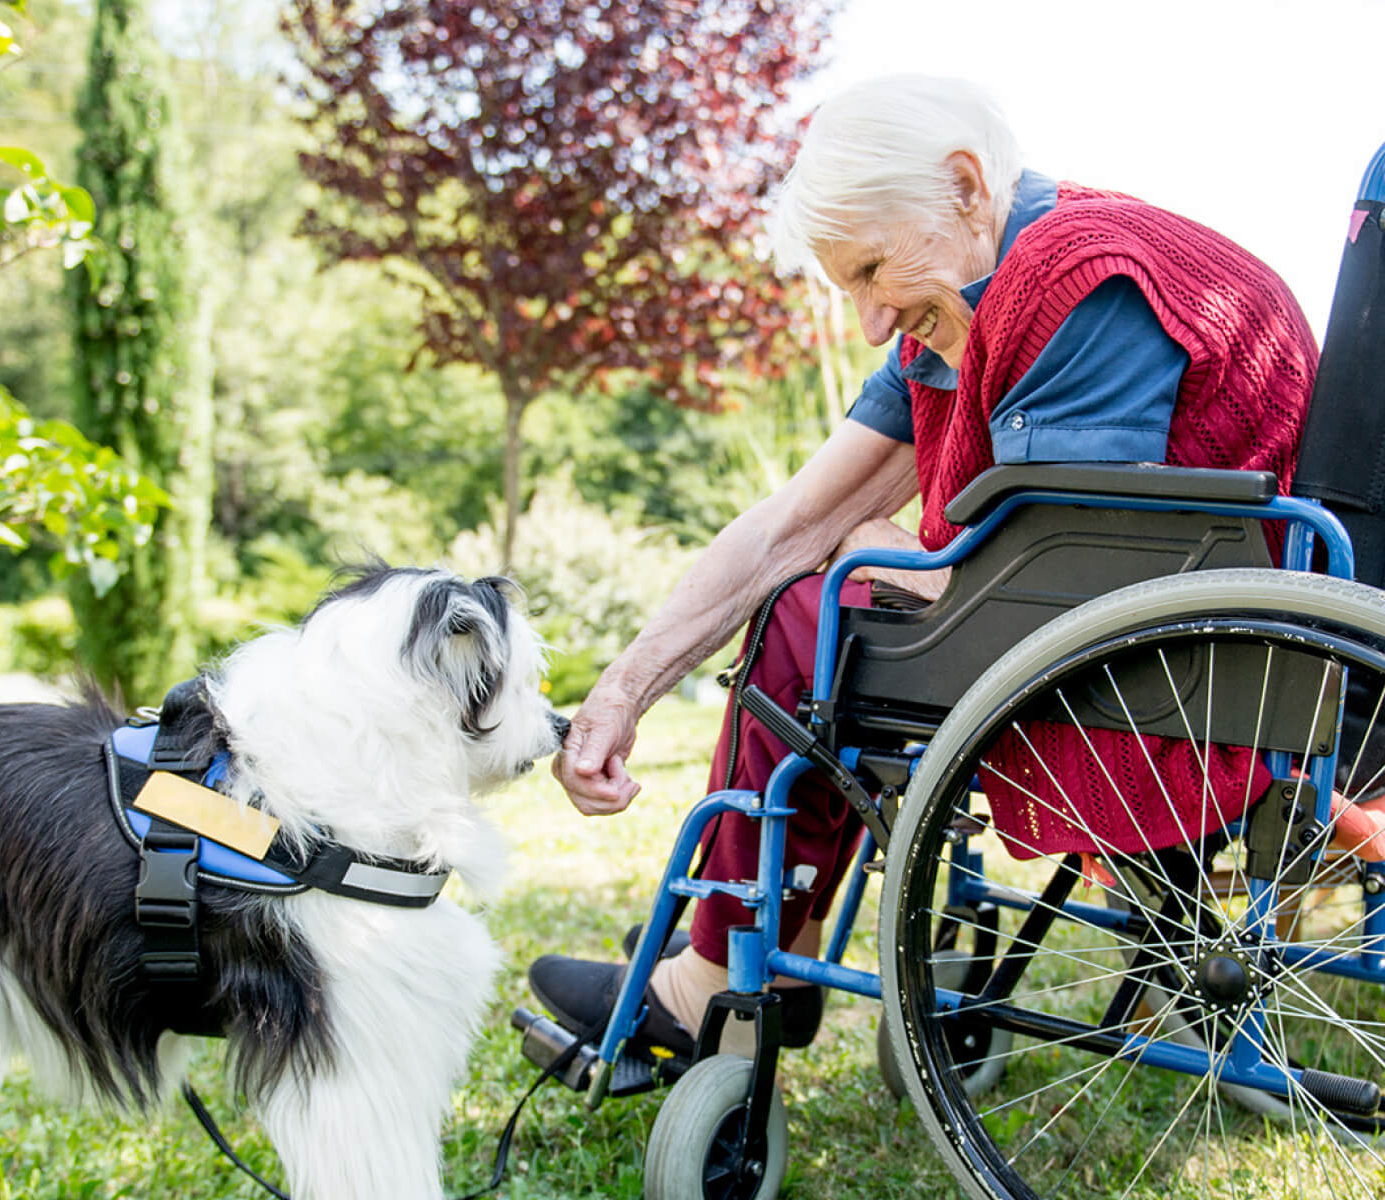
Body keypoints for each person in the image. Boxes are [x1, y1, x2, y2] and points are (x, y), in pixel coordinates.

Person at [527, 74, 1319, 1057]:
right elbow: (787, 524)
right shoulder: (968, 295)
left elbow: (1056, 589)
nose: (863, 321)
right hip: (1169, 656)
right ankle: (746, 969)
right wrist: (624, 688)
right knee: (812, 587)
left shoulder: (1077, 276)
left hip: (1173, 683)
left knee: (808, 619)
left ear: (963, 185)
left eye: (866, 271)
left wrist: (867, 545)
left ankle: (719, 984)